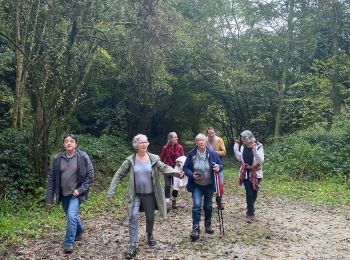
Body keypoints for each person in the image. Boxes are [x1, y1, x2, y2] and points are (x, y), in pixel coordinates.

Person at [107, 134, 184, 259]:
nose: (144, 144)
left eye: (146, 142)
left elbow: (164, 168)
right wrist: (111, 192)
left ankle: (149, 234)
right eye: (141, 142)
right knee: (132, 216)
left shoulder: (153, 158)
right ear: (136, 145)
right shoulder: (130, 160)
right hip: (135, 195)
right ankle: (133, 245)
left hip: (149, 194)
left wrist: (177, 173)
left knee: (150, 217)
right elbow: (118, 175)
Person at [47, 133, 94, 254]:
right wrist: (50, 199)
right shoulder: (58, 159)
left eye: (72, 141)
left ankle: (68, 243)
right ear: (63, 144)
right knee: (71, 216)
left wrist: (80, 190)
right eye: (66, 141)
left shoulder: (83, 157)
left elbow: (90, 176)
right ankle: (80, 229)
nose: (69, 143)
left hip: (76, 194)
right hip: (63, 195)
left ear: (76, 144)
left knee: (71, 216)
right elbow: (51, 179)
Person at [183, 133, 223, 241]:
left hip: (209, 184)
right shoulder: (192, 154)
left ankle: (208, 224)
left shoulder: (212, 153)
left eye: (203, 140)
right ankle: (195, 228)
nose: (201, 142)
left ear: (206, 142)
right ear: (196, 142)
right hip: (196, 185)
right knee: (196, 205)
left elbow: (221, 164)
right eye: (199, 140)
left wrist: (218, 167)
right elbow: (185, 167)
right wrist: (192, 175)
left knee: (208, 206)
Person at [233, 130, 264, 223]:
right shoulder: (243, 147)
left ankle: (249, 207)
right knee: (249, 192)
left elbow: (260, 161)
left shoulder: (258, 146)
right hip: (245, 173)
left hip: (256, 173)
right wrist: (235, 147)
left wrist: (255, 152)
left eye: (243, 138)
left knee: (254, 193)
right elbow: (239, 158)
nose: (242, 140)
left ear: (248, 138)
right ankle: (251, 213)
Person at [160, 132, 185, 209]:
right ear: (170, 139)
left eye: (177, 137)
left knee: (175, 186)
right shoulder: (165, 148)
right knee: (167, 185)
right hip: (167, 169)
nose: (176, 138)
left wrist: (180, 163)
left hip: (176, 170)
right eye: (174, 137)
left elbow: (183, 158)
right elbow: (161, 159)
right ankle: (167, 202)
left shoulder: (180, 147)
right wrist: (160, 168)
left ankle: (174, 200)